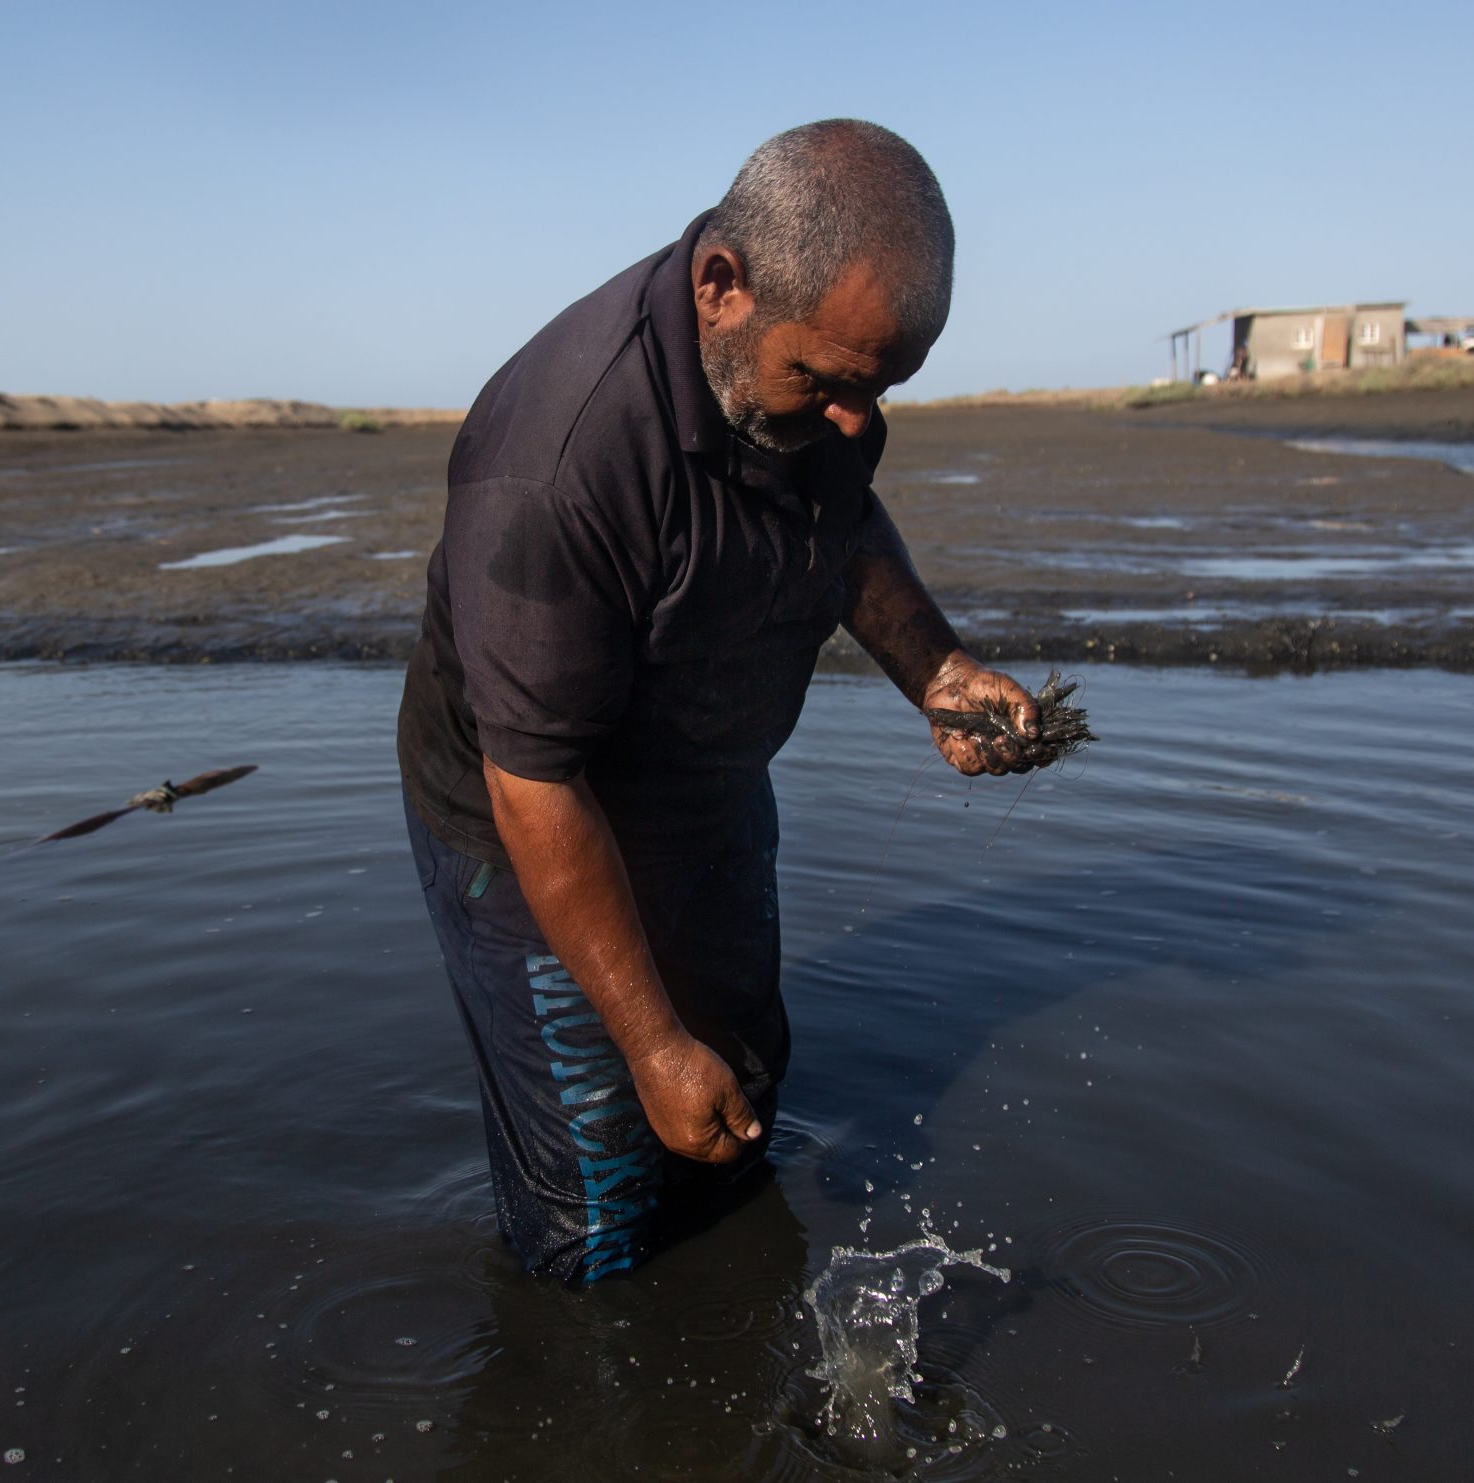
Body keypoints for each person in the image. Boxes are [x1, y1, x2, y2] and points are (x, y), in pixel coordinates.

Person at [396, 119, 1042, 1284]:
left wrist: (936, 672)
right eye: (830, 384)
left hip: (705, 791)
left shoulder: (807, 383)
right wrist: (647, 1043)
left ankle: (736, 1320)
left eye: (883, 390)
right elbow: (534, 782)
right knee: (599, 1181)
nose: (857, 425)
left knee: (733, 1105)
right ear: (719, 287)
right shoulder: (557, 463)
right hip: (531, 826)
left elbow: (836, 518)